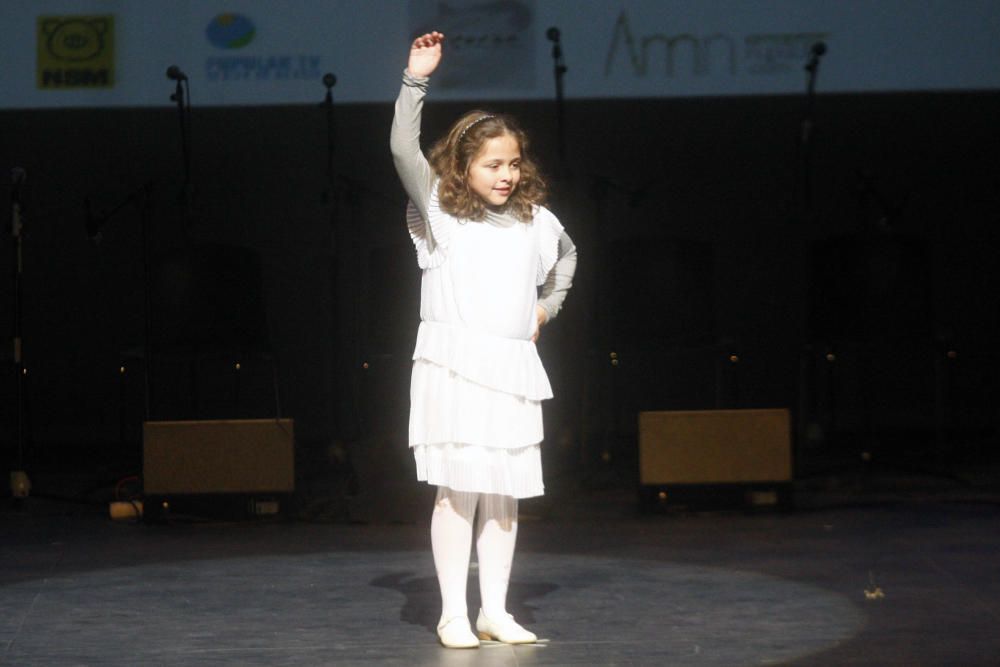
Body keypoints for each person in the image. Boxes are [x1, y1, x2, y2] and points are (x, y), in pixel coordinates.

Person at [390, 31, 577, 648]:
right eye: (492, 164)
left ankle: (495, 608)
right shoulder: (441, 211)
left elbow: (567, 259)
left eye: (513, 163)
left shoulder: (535, 220)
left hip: (510, 368)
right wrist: (416, 80)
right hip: (455, 366)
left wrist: (545, 309)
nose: (505, 174)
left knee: (504, 493)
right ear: (463, 167)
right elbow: (401, 149)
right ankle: (452, 612)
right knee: (459, 488)